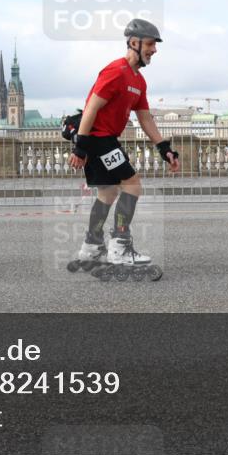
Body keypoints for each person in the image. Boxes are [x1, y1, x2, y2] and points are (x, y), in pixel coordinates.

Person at [68, 19, 180, 280]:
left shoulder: (138, 81)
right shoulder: (115, 71)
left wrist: (164, 149)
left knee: (107, 192)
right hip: (98, 138)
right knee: (132, 184)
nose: (154, 50)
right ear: (134, 43)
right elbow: (92, 108)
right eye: (151, 44)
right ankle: (119, 245)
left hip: (105, 139)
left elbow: (145, 118)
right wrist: (81, 147)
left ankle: (92, 246)